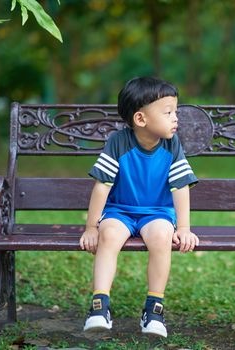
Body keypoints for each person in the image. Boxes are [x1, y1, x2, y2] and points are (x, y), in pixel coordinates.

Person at [79, 77, 199, 338]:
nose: (175, 118)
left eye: (175, 111)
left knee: (162, 236)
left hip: (156, 213)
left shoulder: (172, 145)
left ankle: (154, 308)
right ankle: (100, 306)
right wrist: (91, 227)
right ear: (141, 119)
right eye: (168, 112)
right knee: (108, 235)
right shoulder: (118, 143)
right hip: (119, 210)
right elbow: (102, 186)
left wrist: (185, 228)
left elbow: (181, 187)